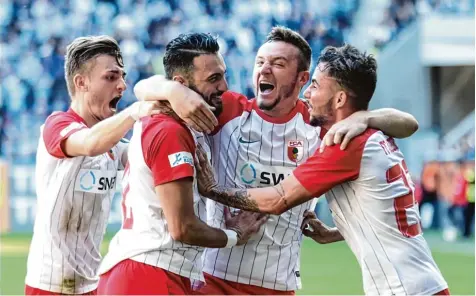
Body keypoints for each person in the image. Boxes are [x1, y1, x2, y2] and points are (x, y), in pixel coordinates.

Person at [134, 27, 419, 295]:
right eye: (260, 61)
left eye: (278, 63)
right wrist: (174, 91)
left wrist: (366, 116)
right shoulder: (228, 110)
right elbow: (143, 89)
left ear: (302, 78)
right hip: (214, 278)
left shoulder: (320, 127)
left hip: (279, 284)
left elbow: (408, 124)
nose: (264, 69)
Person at [195, 44, 449, 295]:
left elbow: (278, 199)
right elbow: (387, 215)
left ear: (339, 98)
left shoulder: (346, 144)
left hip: (402, 289)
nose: (307, 93)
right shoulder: (371, 134)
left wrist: (213, 190)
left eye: (315, 85)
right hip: (422, 284)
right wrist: (365, 117)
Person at [24, 35, 217, 296]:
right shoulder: (57, 125)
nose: (122, 85)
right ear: (81, 82)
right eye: (111, 77)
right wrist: (136, 110)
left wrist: (172, 93)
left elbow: (152, 158)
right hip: (50, 285)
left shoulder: (114, 145)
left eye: (123, 77)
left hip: (93, 283)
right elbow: (91, 143)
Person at [96, 33, 267, 295]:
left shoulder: (171, 122)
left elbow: (145, 87)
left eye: (222, 75)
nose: (224, 86)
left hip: (144, 271)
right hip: (149, 275)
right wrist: (234, 235)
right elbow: (182, 228)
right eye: (213, 79)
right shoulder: (170, 131)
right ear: (181, 84)